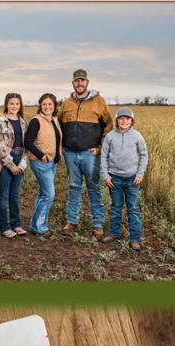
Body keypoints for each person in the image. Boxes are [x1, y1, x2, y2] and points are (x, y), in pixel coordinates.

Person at [57, 69, 114, 238]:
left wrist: (100, 148)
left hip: (90, 154)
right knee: (74, 187)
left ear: (87, 83)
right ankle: (71, 221)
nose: (79, 84)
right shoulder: (67, 103)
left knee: (93, 188)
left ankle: (98, 225)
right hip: (70, 154)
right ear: (73, 83)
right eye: (77, 81)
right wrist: (61, 145)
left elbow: (109, 126)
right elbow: (57, 125)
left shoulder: (99, 102)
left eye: (82, 81)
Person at [100, 107, 148, 251]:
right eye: (121, 118)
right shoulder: (110, 136)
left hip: (132, 179)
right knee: (116, 207)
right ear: (117, 120)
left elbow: (144, 155)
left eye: (127, 119)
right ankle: (114, 233)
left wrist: (140, 174)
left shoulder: (137, 136)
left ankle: (134, 239)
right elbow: (103, 156)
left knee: (132, 208)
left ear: (132, 121)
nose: (124, 121)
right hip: (114, 178)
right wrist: (106, 175)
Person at [23, 93, 63, 237]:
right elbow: (28, 142)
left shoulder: (55, 120)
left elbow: (57, 139)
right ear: (40, 105)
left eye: (50, 104)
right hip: (40, 162)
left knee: (43, 194)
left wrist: (57, 156)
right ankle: (39, 227)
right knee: (49, 195)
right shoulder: (36, 121)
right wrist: (42, 156)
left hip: (52, 163)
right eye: (44, 104)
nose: (47, 107)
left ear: (54, 106)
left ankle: (37, 225)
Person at [0, 93, 28, 238]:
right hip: (6, 160)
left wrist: (22, 164)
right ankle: (4, 226)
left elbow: (26, 146)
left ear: (20, 105)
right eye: (11, 103)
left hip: (20, 158)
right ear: (7, 104)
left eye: (17, 104)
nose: (14, 106)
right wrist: (12, 165)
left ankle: (16, 224)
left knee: (15, 195)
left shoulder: (23, 122)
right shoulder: (0, 122)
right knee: (4, 195)